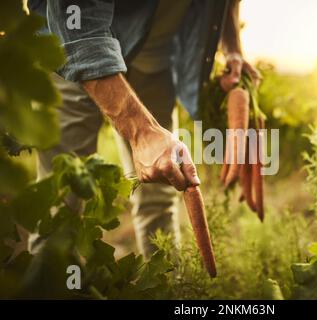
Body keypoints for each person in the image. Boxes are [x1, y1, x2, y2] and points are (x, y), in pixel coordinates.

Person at [27, 0, 260, 258]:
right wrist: (142, 132)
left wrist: (233, 47)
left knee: (162, 191)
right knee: (62, 197)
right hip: (73, 54)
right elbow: (78, 28)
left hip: (154, 64)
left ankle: (173, 290)